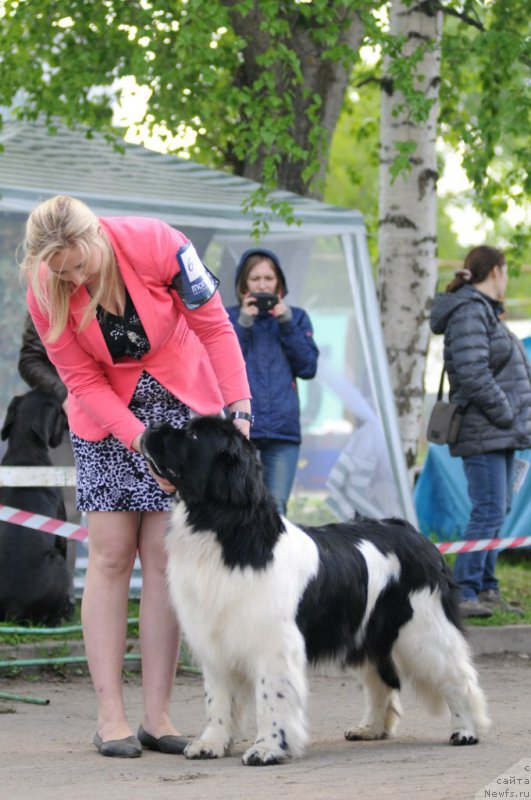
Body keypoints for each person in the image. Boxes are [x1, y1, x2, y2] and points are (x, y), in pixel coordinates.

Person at [20, 195, 251, 758]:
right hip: (105, 418)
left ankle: (158, 714)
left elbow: (215, 328)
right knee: (110, 554)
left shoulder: (159, 243)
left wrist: (239, 407)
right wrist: (136, 438)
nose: (75, 278)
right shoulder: (43, 284)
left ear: (98, 233)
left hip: (180, 402)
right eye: (62, 272)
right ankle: (110, 717)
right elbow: (78, 377)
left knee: (165, 558)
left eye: (81, 263)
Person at [430, 245, 531, 618]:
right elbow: (473, 375)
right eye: (506, 272)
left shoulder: (484, 312)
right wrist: (506, 412)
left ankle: (486, 586)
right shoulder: (470, 311)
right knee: (488, 509)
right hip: (485, 429)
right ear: (497, 271)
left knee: (498, 509)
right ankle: (465, 591)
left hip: (499, 431)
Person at [227, 248, 318, 514]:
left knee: (275, 510)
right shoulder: (229, 318)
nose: (263, 285)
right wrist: (244, 323)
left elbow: (308, 367)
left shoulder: (297, 318)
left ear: (279, 282)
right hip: (240, 432)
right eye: (255, 279)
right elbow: (220, 367)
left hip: (282, 433)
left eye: (269, 278)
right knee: (237, 509)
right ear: (244, 284)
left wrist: (286, 322)